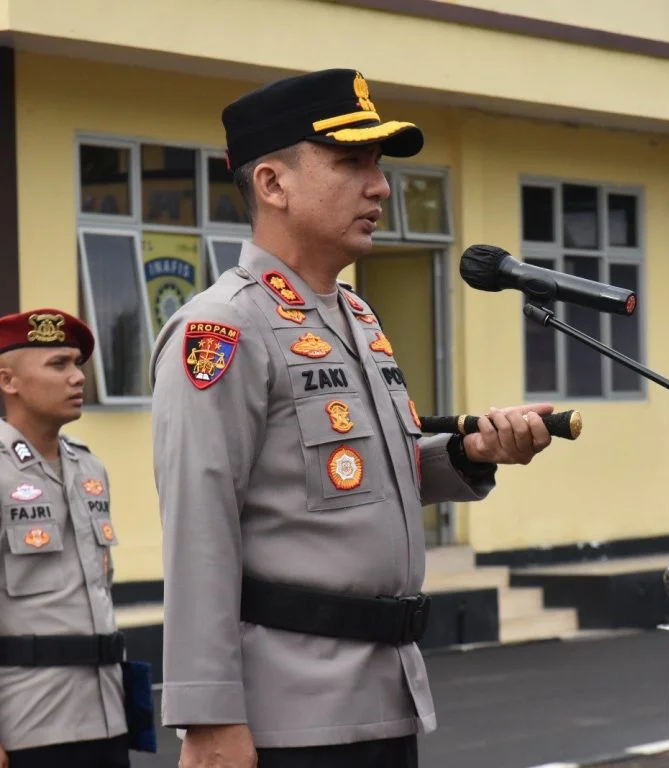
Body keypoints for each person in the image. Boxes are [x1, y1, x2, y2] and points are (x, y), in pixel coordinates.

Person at [150, 68, 554, 768]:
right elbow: (198, 523)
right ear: (273, 184)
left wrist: (470, 455)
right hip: (289, 715)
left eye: (378, 165)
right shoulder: (222, 327)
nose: (380, 187)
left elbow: (361, 474)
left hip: (384, 694)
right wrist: (208, 717)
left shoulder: (354, 316)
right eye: (351, 163)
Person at [0, 309, 129, 768]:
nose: (77, 378)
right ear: (8, 381)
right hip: (31, 725)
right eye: (59, 365)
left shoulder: (89, 468)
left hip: (108, 717)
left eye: (78, 364)